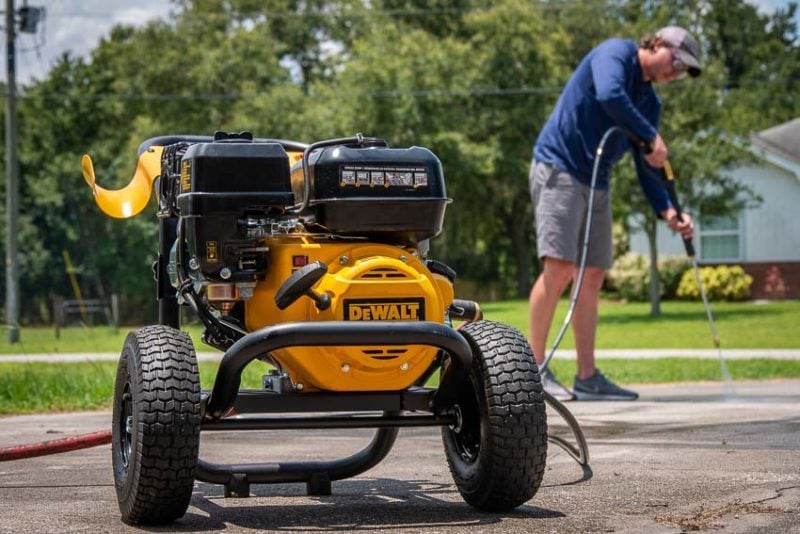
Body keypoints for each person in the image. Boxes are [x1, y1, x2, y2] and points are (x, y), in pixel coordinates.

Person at [528, 26, 700, 401]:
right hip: (560, 166)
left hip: (597, 180)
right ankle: (533, 372)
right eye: (677, 61)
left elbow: (646, 165)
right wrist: (651, 136)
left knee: (592, 275)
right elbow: (610, 94)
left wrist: (668, 211)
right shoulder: (615, 53)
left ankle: (587, 378)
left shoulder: (650, 103)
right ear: (657, 43)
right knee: (559, 268)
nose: (677, 72)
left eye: (684, 70)